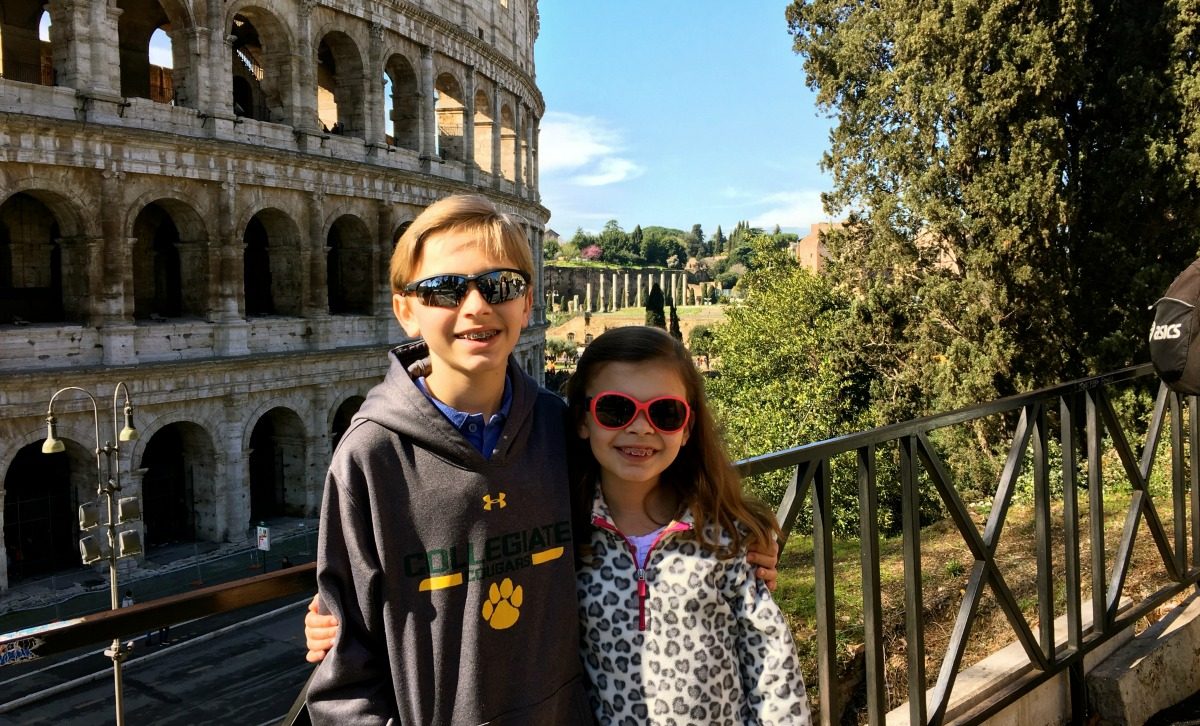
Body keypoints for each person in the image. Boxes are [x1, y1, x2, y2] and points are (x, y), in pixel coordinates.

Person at [305, 194, 593, 724]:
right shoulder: (371, 454)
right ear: (406, 310)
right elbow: (345, 675)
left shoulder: (561, 429)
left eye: (500, 285)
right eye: (445, 289)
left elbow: (633, 522)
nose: (477, 306)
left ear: (527, 303)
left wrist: (731, 536)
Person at [565, 326, 810, 724]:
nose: (641, 427)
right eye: (615, 409)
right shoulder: (564, 536)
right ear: (582, 419)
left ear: (687, 428)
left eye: (664, 413)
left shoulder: (723, 534)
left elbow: (768, 656)